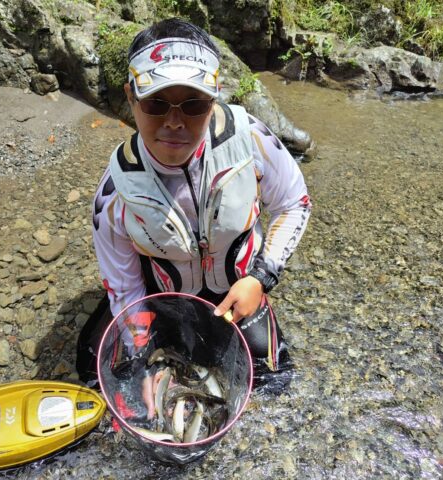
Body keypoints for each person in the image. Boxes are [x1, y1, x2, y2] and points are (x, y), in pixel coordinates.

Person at [78, 18, 311, 396]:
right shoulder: (114, 192)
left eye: (194, 104)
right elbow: (124, 287)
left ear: (214, 97)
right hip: (159, 299)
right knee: (102, 375)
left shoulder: (251, 141)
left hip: (239, 292)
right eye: (156, 102)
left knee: (273, 382)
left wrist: (261, 278)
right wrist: (143, 355)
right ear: (131, 98)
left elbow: (294, 203)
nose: (174, 122)